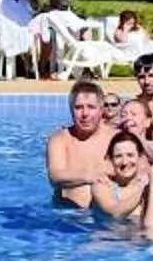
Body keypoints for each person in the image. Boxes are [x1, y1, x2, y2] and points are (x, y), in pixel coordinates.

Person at [45, 79, 116, 207]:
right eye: (78, 107)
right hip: (69, 215)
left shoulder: (116, 138)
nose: (85, 114)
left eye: (91, 107)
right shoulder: (59, 140)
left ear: (101, 110)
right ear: (71, 110)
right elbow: (55, 177)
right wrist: (88, 176)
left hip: (107, 215)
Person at [84, 129, 152, 220]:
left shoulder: (149, 182)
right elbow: (114, 213)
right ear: (111, 160)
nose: (124, 162)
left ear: (140, 157)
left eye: (130, 155)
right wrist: (144, 190)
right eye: (118, 156)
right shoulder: (101, 185)